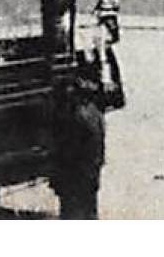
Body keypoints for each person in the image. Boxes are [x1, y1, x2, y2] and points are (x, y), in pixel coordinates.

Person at [53, 73, 107, 219]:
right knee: (89, 210)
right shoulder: (95, 114)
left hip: (76, 176)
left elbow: (69, 151)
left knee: (71, 212)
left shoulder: (77, 117)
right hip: (91, 172)